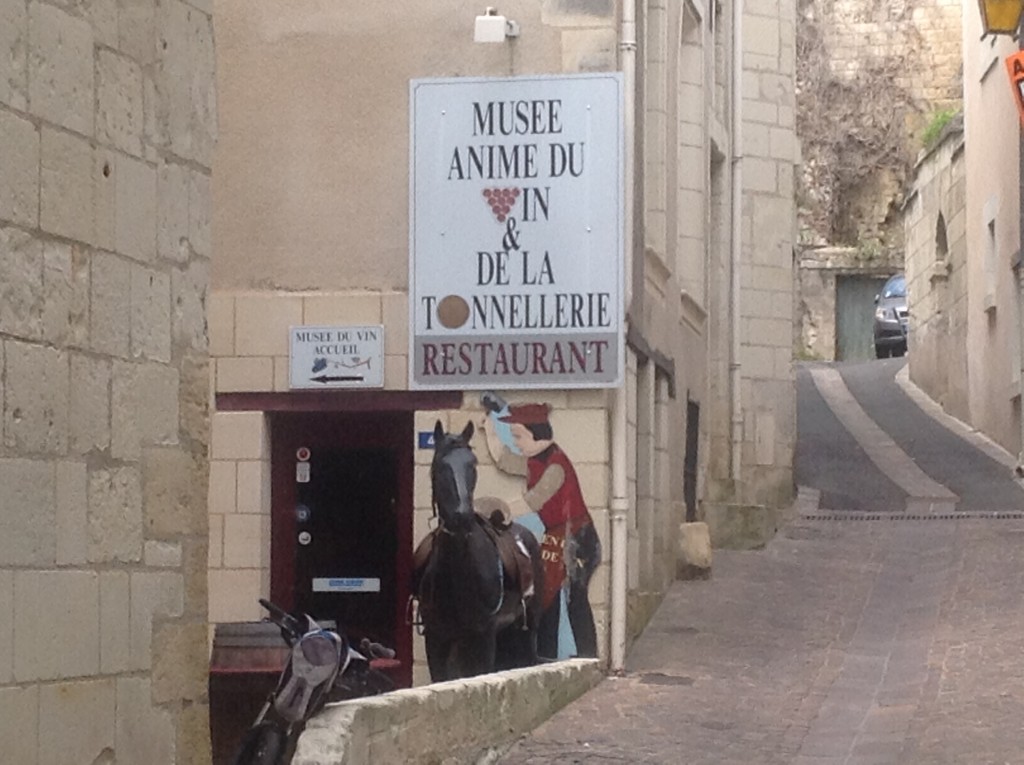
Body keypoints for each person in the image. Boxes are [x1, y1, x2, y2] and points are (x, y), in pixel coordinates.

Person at [482, 402, 600, 659]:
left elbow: (536, 499)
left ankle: (586, 655)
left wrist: (500, 509)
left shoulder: (555, 464)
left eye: (518, 436)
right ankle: (547, 654)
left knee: (573, 597)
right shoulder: (534, 460)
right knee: (546, 596)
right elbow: (504, 460)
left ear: (536, 433)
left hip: (577, 537)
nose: (516, 443)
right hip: (558, 536)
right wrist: (489, 428)